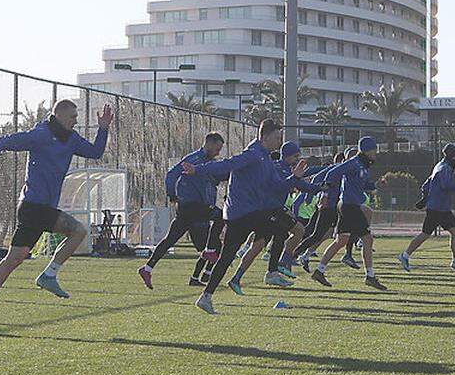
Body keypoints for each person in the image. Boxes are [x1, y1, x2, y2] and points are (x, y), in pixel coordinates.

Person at [0, 99, 113, 334]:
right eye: (72, 116)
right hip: (33, 207)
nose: (76, 120)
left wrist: (103, 128)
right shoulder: (40, 135)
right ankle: (47, 276)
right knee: (75, 232)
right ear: (58, 115)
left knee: (17, 257)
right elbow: (4, 142)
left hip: (41, 209)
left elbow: (95, 152)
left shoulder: (71, 139)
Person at [182, 119, 310, 314]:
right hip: (240, 214)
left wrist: (295, 178)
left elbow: (277, 185)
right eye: (276, 137)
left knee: (274, 227)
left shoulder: (265, 158)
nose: (279, 141)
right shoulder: (253, 154)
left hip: (252, 213)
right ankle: (272, 267)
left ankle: (207, 296)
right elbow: (226, 165)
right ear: (265, 137)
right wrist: (197, 170)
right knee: (277, 226)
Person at [225, 141, 323, 290]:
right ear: (287, 155)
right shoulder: (277, 168)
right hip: (269, 210)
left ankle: (237, 278)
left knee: (258, 245)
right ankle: (281, 264)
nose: (298, 159)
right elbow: (286, 183)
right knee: (297, 230)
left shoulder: (286, 169)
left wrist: (319, 187)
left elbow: (302, 183)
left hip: (270, 210)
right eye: (296, 156)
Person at [138, 132, 226, 289]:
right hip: (192, 206)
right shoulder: (194, 159)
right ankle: (208, 261)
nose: (218, 152)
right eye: (217, 148)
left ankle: (147, 268)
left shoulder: (207, 163)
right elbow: (172, 174)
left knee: (170, 240)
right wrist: (172, 194)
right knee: (220, 216)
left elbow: (216, 177)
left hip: (195, 209)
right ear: (209, 144)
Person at [310, 137, 386, 290]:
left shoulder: (364, 166)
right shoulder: (353, 163)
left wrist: (376, 184)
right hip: (349, 206)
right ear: (366, 150)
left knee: (341, 241)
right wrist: (325, 194)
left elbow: (365, 185)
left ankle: (319, 271)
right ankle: (370, 276)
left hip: (350, 205)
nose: (375, 154)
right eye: (374, 151)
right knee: (367, 239)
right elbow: (332, 173)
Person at [398, 143, 455, 272]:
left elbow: (425, 185)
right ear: (453, 155)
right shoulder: (444, 168)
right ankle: (405, 255)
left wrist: (425, 198)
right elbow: (445, 185)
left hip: (442, 207)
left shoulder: (441, 165)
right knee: (425, 234)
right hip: (437, 208)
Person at [293, 149, 347, 270]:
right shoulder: (337, 169)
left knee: (321, 233)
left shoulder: (350, 170)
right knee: (315, 234)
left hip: (335, 207)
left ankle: (303, 255)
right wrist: (319, 195)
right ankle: (292, 254)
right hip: (328, 206)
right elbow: (319, 177)